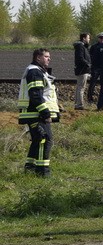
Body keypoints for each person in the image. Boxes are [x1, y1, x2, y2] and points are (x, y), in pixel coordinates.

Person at [18, 48, 60, 177]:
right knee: (44, 139)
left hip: (33, 113)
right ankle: (42, 172)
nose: (49, 58)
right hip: (36, 114)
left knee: (37, 140)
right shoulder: (35, 72)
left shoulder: (37, 71)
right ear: (38, 58)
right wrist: (45, 113)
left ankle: (30, 168)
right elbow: (35, 94)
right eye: (46, 56)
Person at [72, 32, 91, 110]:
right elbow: (80, 58)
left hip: (82, 69)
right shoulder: (80, 47)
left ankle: (77, 104)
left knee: (79, 87)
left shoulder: (82, 46)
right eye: (88, 38)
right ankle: (79, 105)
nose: (89, 39)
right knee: (81, 87)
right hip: (82, 70)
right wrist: (88, 64)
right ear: (84, 38)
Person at [87, 34, 101, 103]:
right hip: (95, 67)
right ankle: (90, 98)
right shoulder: (94, 47)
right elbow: (90, 56)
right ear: (98, 38)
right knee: (92, 83)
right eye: (101, 38)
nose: (102, 39)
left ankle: (102, 98)